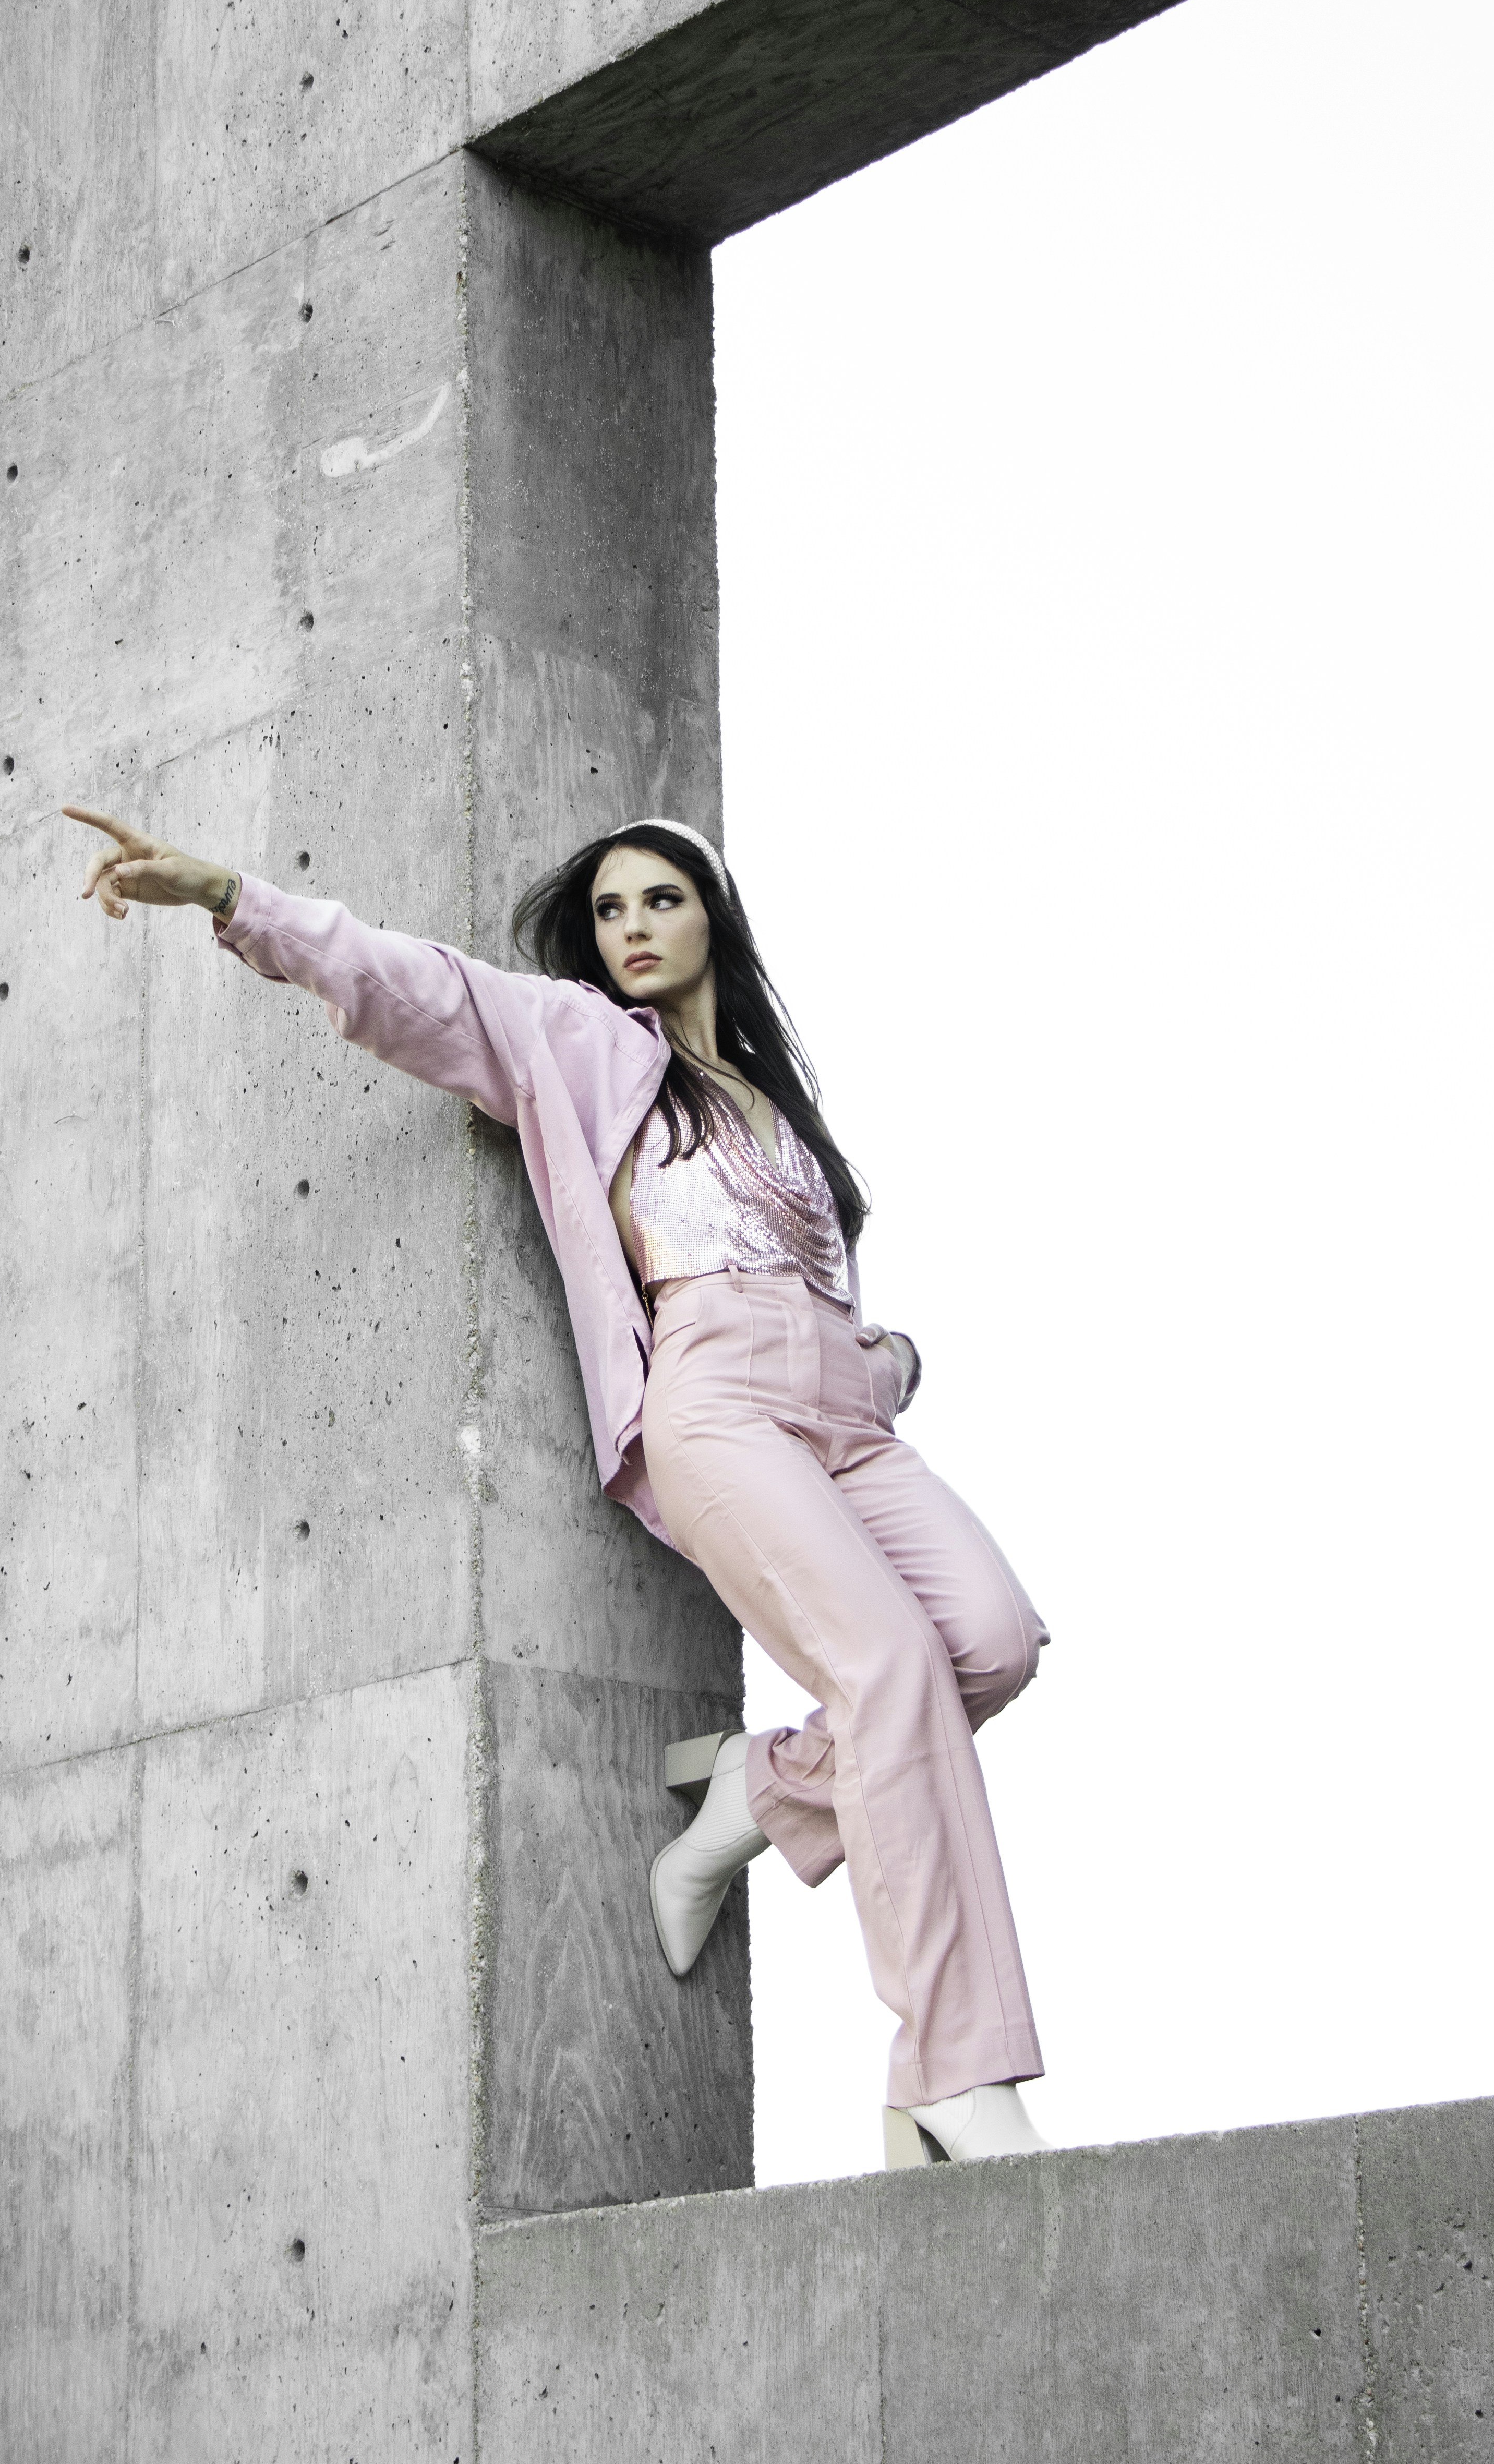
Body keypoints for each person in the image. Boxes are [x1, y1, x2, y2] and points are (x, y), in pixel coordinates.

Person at [64, 800, 1051, 2166]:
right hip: (718, 1407)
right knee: (885, 1665)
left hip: (852, 1418)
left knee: (991, 1646)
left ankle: (758, 1795)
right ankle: (950, 2075)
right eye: (608, 912)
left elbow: (819, 1278)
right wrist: (236, 897)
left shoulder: (780, 1103)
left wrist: (891, 1359)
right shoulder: (588, 1047)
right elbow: (421, 989)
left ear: (714, 918)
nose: (631, 930)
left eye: (659, 902)